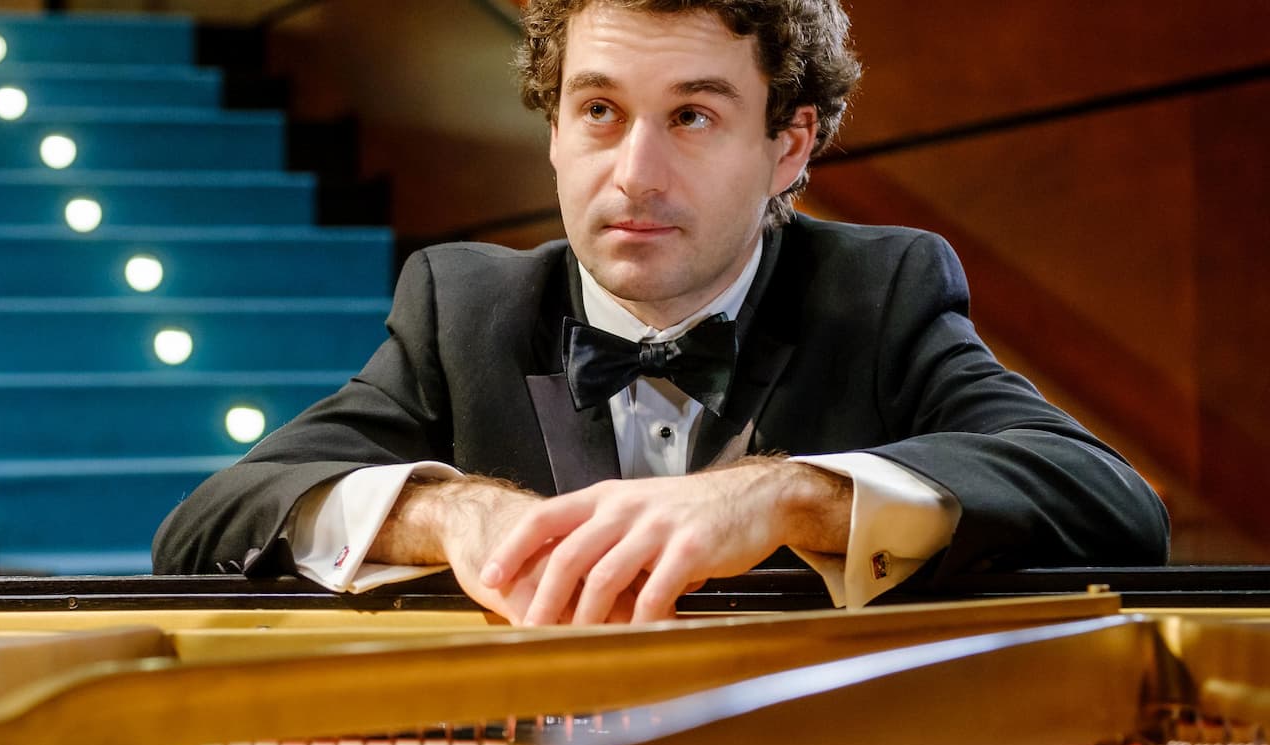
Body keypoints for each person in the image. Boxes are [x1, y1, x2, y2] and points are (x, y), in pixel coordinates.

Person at [152, 0, 1169, 623]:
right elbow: (206, 525)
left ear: (789, 145)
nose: (635, 175)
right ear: (554, 132)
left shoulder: (881, 289)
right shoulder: (462, 307)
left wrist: (783, 497)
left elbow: (1114, 506)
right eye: (599, 111)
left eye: (691, 115)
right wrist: (445, 510)